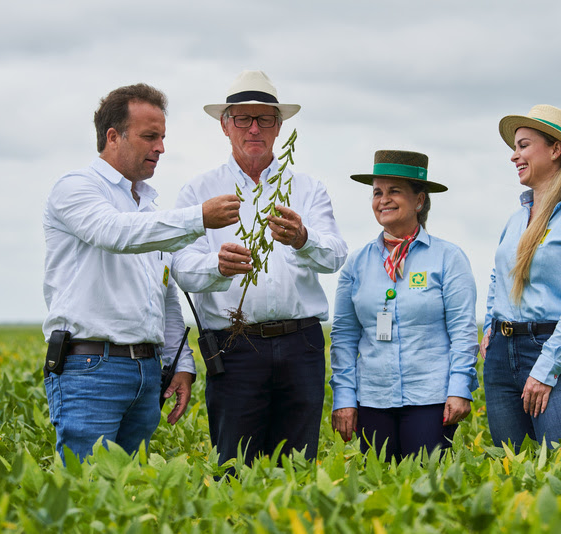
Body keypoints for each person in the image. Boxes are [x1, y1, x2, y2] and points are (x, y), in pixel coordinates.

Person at [42, 83, 241, 462]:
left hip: (146, 371)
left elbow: (163, 293)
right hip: (90, 368)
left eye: (162, 137)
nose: (161, 148)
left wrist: (178, 363)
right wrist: (199, 217)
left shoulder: (148, 208)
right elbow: (113, 233)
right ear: (113, 137)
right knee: (88, 494)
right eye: (150, 137)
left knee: (130, 494)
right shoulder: (76, 188)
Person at [172, 70, 348, 466]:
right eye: (242, 118)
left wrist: (303, 238)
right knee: (234, 464)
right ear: (224, 125)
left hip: (300, 342)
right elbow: (182, 268)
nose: (254, 128)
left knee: (297, 463)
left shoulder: (308, 188)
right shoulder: (199, 191)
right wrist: (216, 266)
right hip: (234, 345)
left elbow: (336, 255)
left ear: (279, 127)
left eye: (264, 118)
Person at [329, 150, 479, 463]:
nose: (383, 200)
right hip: (372, 397)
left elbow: (462, 331)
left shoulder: (447, 258)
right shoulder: (357, 263)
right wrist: (344, 397)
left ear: (420, 200)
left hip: (431, 397)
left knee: (426, 488)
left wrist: (460, 388)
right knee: (379, 491)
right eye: (377, 192)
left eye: (394, 191)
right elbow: (344, 335)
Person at [480, 105, 561, 452]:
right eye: (514, 147)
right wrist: (489, 327)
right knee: (512, 468)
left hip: (550, 349)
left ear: (556, 151)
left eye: (523, 145)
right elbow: (499, 275)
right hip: (500, 355)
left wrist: (545, 369)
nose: (514, 156)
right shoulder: (516, 218)